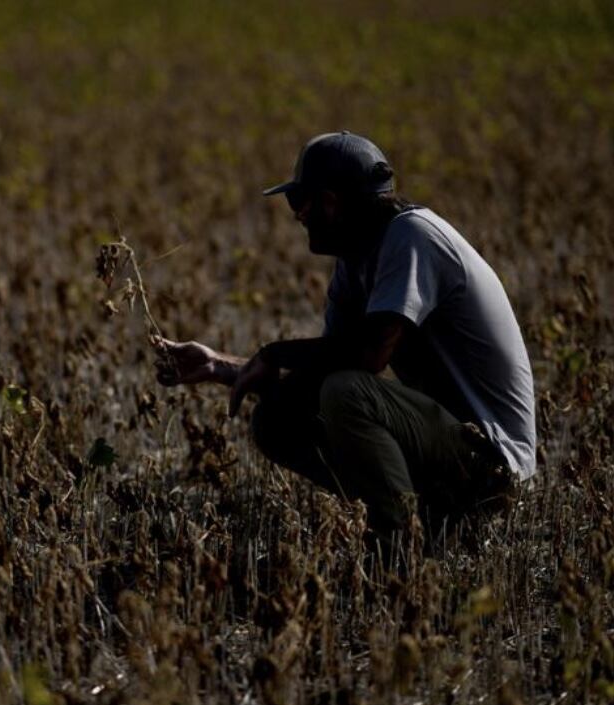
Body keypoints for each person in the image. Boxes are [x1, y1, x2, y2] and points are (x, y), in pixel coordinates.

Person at [155, 131, 536, 547]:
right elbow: (323, 370)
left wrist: (274, 353)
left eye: (299, 200)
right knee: (278, 417)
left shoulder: (414, 237)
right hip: (448, 446)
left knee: (346, 393)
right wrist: (221, 367)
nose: (297, 215)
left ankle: (399, 548)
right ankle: (429, 517)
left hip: (493, 465)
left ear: (331, 202)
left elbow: (369, 355)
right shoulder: (354, 266)